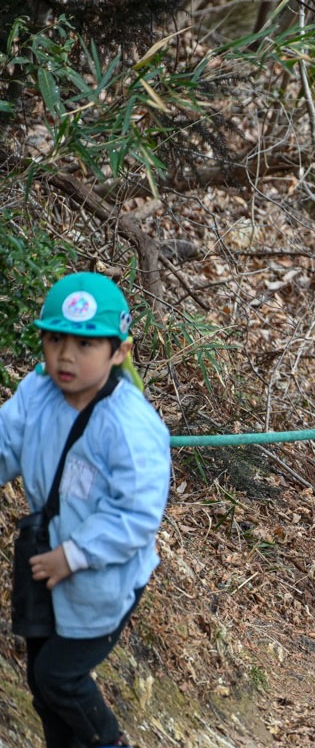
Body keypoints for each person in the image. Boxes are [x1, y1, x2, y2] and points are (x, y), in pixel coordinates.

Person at [0, 272, 172, 748]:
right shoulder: (36, 393)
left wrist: (73, 555)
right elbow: (4, 444)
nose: (66, 355)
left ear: (119, 351)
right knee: (41, 685)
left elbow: (136, 515)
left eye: (85, 343)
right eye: (55, 339)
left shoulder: (131, 425)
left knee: (60, 677)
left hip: (102, 578)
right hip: (43, 561)